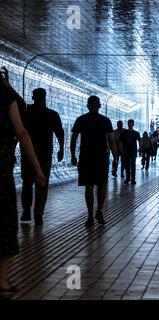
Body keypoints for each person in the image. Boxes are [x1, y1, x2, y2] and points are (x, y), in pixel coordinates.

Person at [0, 67, 46, 295]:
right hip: (1, 169)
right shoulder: (5, 95)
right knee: (5, 221)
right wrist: (38, 167)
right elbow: (21, 132)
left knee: (26, 187)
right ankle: (3, 281)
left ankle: (31, 211)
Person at [70, 96, 117, 227]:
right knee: (102, 184)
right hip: (101, 156)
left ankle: (90, 216)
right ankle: (99, 210)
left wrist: (73, 155)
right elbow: (112, 140)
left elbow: (73, 138)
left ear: (87, 106)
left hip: (86, 156)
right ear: (100, 106)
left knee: (89, 186)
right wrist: (115, 158)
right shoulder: (105, 121)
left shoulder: (81, 120)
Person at [20, 88, 64, 225]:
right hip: (45, 155)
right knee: (42, 185)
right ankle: (38, 215)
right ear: (45, 97)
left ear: (33, 97)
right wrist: (61, 149)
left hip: (27, 156)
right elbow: (60, 133)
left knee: (27, 184)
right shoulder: (52, 114)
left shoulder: (25, 114)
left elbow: (19, 133)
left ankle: (26, 211)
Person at [119, 119, 141, 185]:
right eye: (129, 124)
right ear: (128, 124)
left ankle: (133, 179)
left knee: (133, 165)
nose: (130, 125)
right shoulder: (124, 132)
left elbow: (140, 141)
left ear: (133, 124)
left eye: (131, 124)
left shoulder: (136, 133)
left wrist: (140, 148)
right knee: (127, 165)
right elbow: (120, 142)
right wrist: (121, 150)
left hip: (133, 151)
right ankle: (128, 178)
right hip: (126, 151)